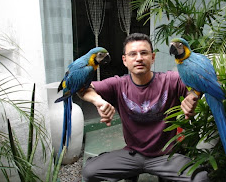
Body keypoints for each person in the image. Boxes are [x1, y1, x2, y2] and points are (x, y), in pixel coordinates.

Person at [79, 33, 209, 182]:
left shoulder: (170, 80)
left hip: (165, 157)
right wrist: (98, 101)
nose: (139, 58)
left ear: (152, 57)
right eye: (132, 54)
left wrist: (193, 97)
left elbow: (200, 83)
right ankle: (129, 172)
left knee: (200, 178)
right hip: (132, 155)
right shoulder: (118, 84)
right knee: (89, 171)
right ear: (125, 60)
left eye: (144, 53)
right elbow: (82, 89)